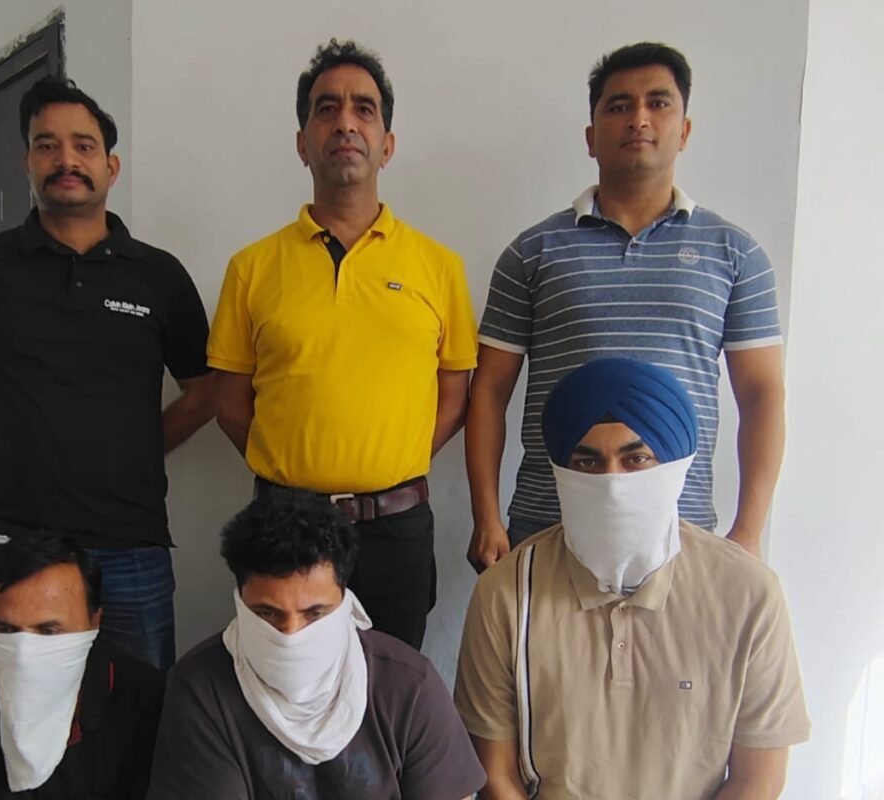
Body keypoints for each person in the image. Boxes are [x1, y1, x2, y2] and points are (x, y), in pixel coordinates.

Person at [0, 76, 214, 668]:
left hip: (132, 544)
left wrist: (138, 447)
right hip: (18, 541)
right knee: (23, 708)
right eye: (46, 145)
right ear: (27, 163)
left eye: (83, 146)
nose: (66, 160)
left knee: (138, 710)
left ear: (111, 166)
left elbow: (205, 393)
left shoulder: (159, 276)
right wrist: (15, 437)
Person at [466, 42, 785, 572]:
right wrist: (487, 518)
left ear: (684, 130)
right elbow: (489, 391)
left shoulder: (735, 254)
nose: (639, 118)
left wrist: (748, 531)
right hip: (549, 528)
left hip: (680, 536)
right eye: (619, 105)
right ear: (591, 137)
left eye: (658, 103)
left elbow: (762, 394)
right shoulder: (532, 252)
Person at [208, 39, 478, 648]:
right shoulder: (252, 268)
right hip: (282, 525)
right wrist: (294, 468)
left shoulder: (439, 267)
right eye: (326, 109)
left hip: (397, 531)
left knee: (392, 685)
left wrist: (390, 460)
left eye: (364, 109)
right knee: (283, 680)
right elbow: (229, 404)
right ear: (303, 142)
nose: (346, 123)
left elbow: (455, 396)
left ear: (387, 143)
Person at [455, 358, 809, 799]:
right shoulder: (505, 594)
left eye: (636, 459)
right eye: (587, 463)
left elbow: (759, 780)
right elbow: (496, 776)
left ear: (676, 466)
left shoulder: (749, 594)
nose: (612, 485)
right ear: (562, 472)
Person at [147, 497, 485, 800]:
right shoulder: (201, 689)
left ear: (345, 601)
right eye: (267, 614)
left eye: (315, 614)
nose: (291, 634)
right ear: (240, 601)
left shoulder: (409, 686)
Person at [0, 536, 164, 800]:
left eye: (49, 631)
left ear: (94, 622)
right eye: (5, 630)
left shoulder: (146, 700)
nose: (23, 653)